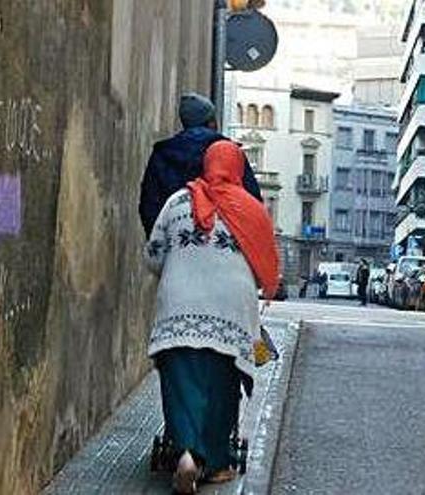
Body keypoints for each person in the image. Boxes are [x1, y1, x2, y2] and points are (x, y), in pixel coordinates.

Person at [143, 141, 279, 494]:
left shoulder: (177, 202)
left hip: (179, 306)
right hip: (231, 309)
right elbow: (263, 263)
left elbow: (153, 256)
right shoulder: (251, 209)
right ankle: (215, 464)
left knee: (180, 383)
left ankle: (186, 453)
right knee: (221, 387)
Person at [139, 93, 262, 237]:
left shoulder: (162, 153)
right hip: (221, 243)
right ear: (211, 122)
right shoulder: (228, 152)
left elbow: (149, 204)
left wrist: (160, 241)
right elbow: (252, 201)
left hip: (175, 242)